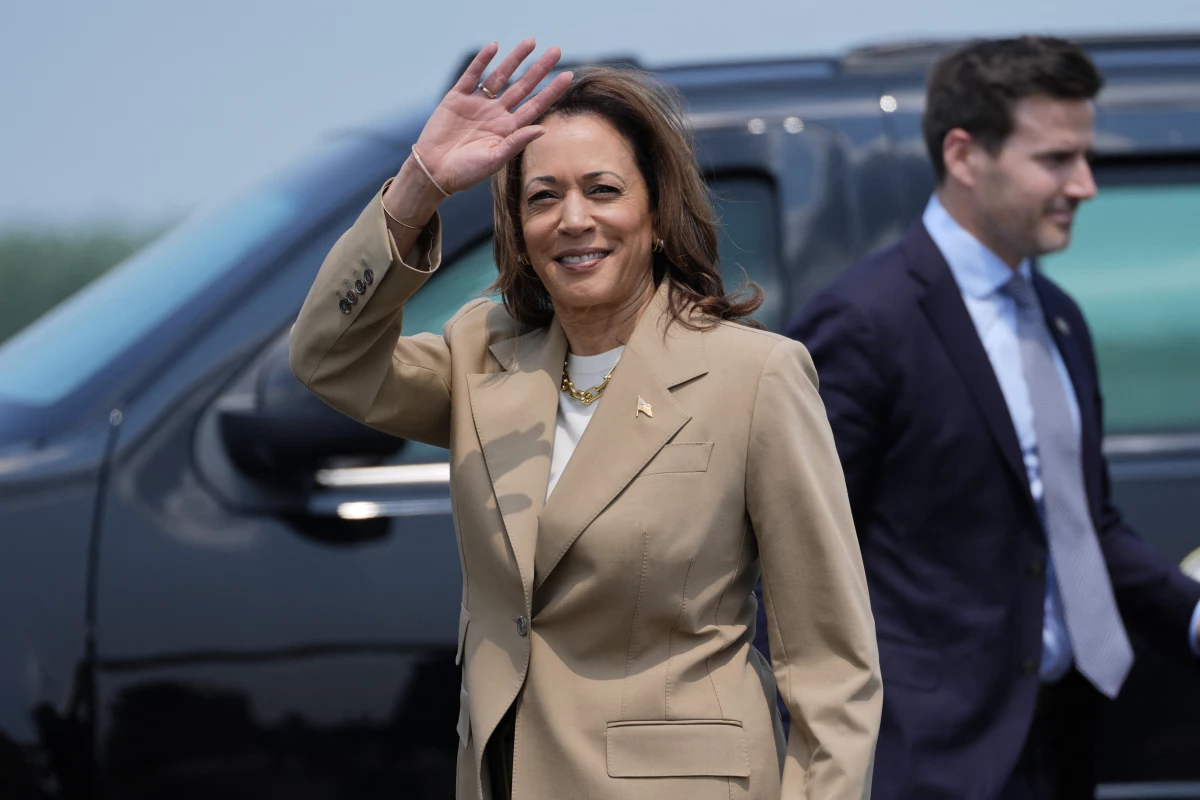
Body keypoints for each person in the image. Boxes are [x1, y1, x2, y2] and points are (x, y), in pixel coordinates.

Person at [289, 40, 881, 800]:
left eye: (603, 190)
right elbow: (328, 357)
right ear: (518, 228)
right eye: (542, 198)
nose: (573, 219)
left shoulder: (755, 376)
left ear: (656, 214)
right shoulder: (481, 355)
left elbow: (833, 668)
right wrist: (418, 187)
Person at [783, 36, 1200, 799]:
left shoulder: (1060, 317)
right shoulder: (865, 322)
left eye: (1085, 157)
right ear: (965, 155)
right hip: (923, 764)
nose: (1086, 185)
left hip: (1058, 745)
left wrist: (1193, 616)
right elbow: (793, 558)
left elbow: (1082, 528)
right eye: (1057, 160)